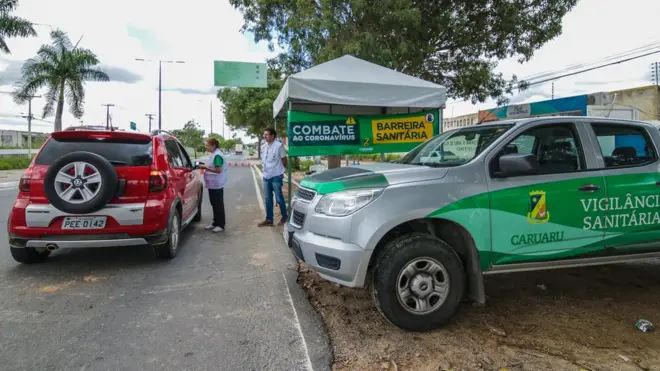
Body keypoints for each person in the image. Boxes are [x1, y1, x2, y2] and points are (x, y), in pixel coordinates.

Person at [258, 127, 288, 227]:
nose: (265, 136)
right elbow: (264, 160)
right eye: (264, 134)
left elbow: (284, 161)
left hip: (276, 176)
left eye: (267, 134)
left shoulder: (279, 146)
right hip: (266, 176)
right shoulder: (263, 147)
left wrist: (281, 171)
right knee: (267, 199)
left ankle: (284, 216)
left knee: (279, 198)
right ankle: (269, 219)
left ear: (272, 135)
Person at [200, 137, 227, 232]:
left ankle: (220, 225)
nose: (206, 147)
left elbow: (218, 170)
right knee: (214, 204)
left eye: (208, 145)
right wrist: (206, 166)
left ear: (213, 146)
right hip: (212, 184)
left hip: (216, 184)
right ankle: (215, 223)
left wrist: (205, 167)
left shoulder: (217, 156)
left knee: (218, 204)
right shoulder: (213, 155)